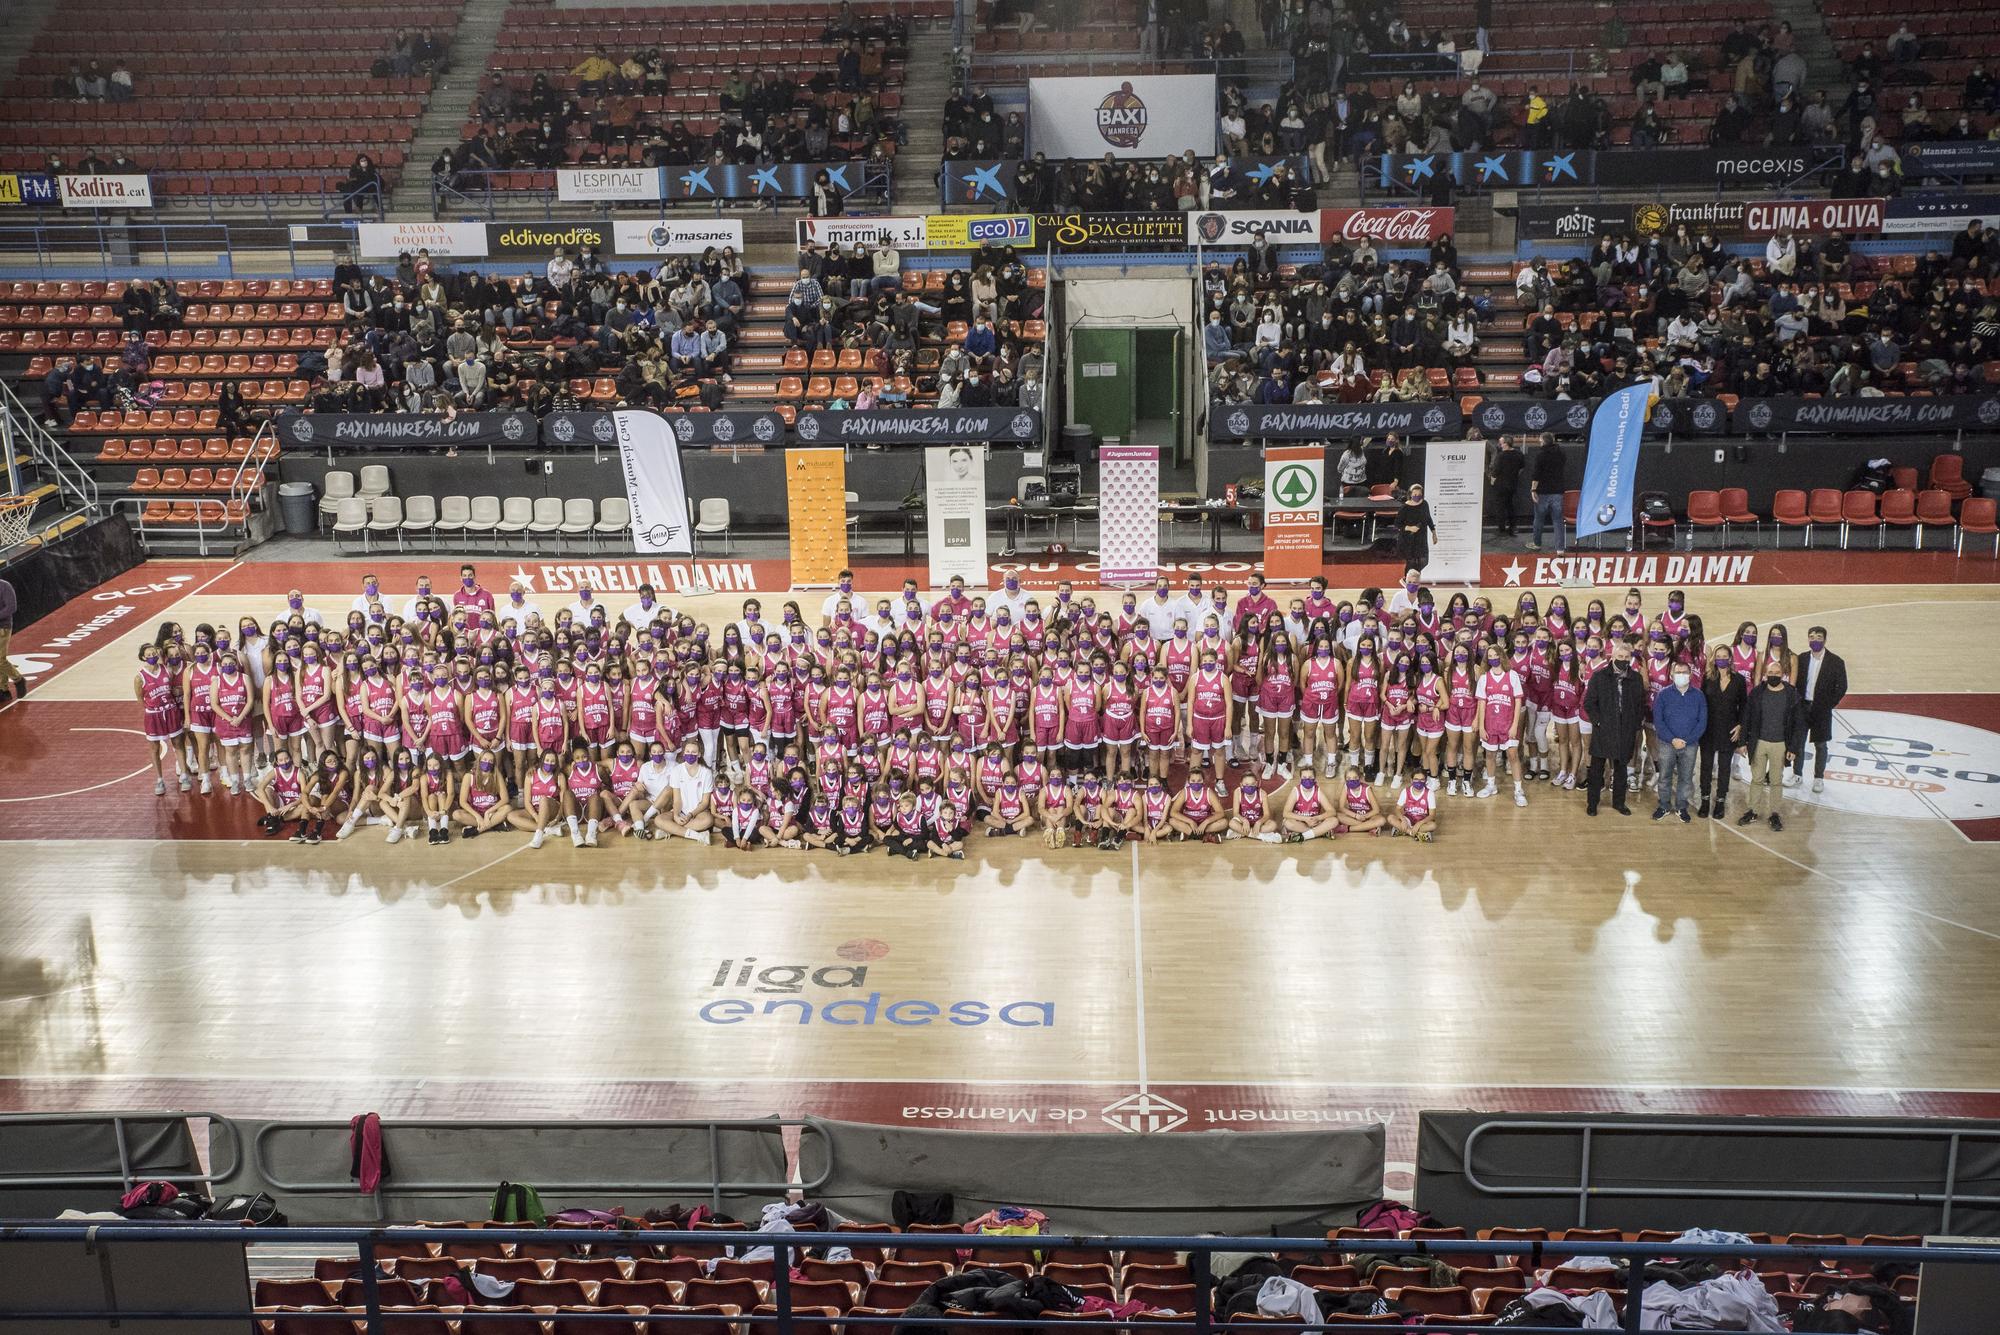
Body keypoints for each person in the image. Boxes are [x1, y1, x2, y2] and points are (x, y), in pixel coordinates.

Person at [1581, 639, 1647, 816]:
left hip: (1625, 731)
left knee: (1621, 770)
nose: (1623, 659)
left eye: (1626, 657)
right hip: (1603, 730)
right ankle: (1592, 803)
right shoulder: (1599, 676)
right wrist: (1598, 722)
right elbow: (1589, 703)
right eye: (1620, 656)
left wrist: (1634, 724)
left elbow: (1641, 704)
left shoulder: (1636, 679)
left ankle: (1619, 802)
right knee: (1596, 770)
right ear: (1612, 656)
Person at [1737, 663, 1805, 832]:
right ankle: (1753, 811)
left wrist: (1794, 748)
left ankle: (1774, 813)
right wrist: (1742, 742)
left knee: (1776, 780)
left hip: (1780, 744)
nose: (1773, 675)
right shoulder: (1757, 693)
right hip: (1759, 742)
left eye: (1777, 672)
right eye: (1770, 672)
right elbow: (1747, 718)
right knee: (1757, 779)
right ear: (1765, 674)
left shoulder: (1792, 695)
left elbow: (1798, 724)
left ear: (1783, 674)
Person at [1792, 625, 1847, 793]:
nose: (1814, 640)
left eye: (1818, 637)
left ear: (1825, 639)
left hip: (1821, 708)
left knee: (1821, 745)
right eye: (1811, 637)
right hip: (1803, 706)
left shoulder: (1836, 661)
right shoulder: (1801, 658)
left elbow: (1842, 687)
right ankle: (1797, 774)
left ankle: (1818, 777)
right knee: (1798, 743)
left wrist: (1829, 704)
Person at [1650, 658, 1707, 822]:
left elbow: (1702, 722)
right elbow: (1658, 721)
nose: (1681, 675)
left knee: (1686, 778)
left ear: (1690, 675)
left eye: (1684, 672)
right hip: (1667, 744)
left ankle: (1682, 807)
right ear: (1672, 674)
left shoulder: (1699, 696)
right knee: (1664, 776)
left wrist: (1687, 740)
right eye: (1678, 672)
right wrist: (1672, 739)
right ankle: (1664, 806)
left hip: (1689, 745)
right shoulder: (1663, 695)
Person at [1698, 644, 1746, 820]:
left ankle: (1720, 801)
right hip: (1708, 729)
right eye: (1718, 656)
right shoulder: (1707, 678)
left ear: (1730, 658)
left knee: (1725, 769)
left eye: (1725, 656)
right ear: (1714, 658)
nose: (1721, 659)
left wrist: (1741, 725)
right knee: (1706, 767)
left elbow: (1744, 706)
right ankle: (1704, 800)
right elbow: (1701, 703)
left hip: (1729, 730)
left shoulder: (1739, 680)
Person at [1527, 434, 1567, 552]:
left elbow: (1536, 474)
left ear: (1543, 442)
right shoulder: (1561, 453)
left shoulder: (1541, 455)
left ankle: (1537, 543)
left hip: (1543, 492)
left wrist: (1533, 489)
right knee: (1558, 521)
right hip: (1557, 492)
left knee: (1539, 519)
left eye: (1540, 441)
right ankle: (1560, 549)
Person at [1393, 483, 1438, 576]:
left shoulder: (1424, 504)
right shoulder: (1404, 507)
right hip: (1408, 538)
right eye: (1415, 494)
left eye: (1419, 494)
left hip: (1421, 537)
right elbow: (1397, 524)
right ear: (1410, 494)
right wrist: (1410, 528)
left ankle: (1413, 577)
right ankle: (1409, 580)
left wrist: (1434, 533)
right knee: (1411, 563)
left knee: (1424, 561)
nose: (1417, 496)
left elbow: (1428, 518)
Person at [1488, 435, 1524, 537]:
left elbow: (1496, 471)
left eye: (1501, 443)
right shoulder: (1519, 454)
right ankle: (1512, 528)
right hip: (1512, 484)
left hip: (1501, 485)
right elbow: (1522, 468)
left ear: (1506, 444)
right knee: (1510, 506)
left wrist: (1492, 481)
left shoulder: (1501, 456)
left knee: (1500, 507)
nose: (1499, 445)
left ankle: (1502, 529)